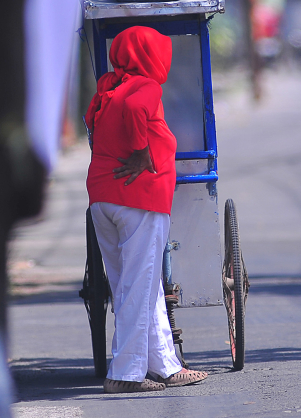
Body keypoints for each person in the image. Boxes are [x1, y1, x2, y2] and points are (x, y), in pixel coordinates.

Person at [84, 26, 207, 393]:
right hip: (138, 200)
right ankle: (124, 374)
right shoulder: (144, 87)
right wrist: (141, 149)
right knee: (139, 285)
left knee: (136, 285)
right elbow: (139, 109)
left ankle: (165, 364)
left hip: (103, 198)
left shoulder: (108, 88)